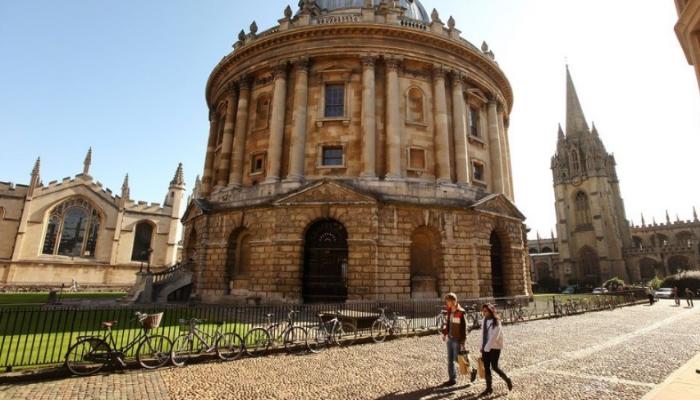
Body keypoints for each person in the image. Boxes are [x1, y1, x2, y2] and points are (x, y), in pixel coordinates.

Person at [440, 293, 477, 387]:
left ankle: (472, 370)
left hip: (457, 339)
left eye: (448, 301)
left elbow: (464, 328)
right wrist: (445, 334)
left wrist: (462, 342)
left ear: (453, 301)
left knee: (457, 359)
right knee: (450, 360)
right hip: (450, 338)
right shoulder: (449, 310)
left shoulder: (461, 312)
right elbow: (448, 323)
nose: (446, 303)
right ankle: (452, 379)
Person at [480, 303, 513, 397]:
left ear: (490, 311)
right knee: (486, 367)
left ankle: (507, 378)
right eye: (483, 311)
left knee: (494, 366)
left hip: (495, 347)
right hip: (485, 347)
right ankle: (488, 388)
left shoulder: (496, 321)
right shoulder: (484, 320)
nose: (484, 312)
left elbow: (495, 336)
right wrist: (481, 347)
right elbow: (482, 335)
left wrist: (487, 347)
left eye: (485, 311)